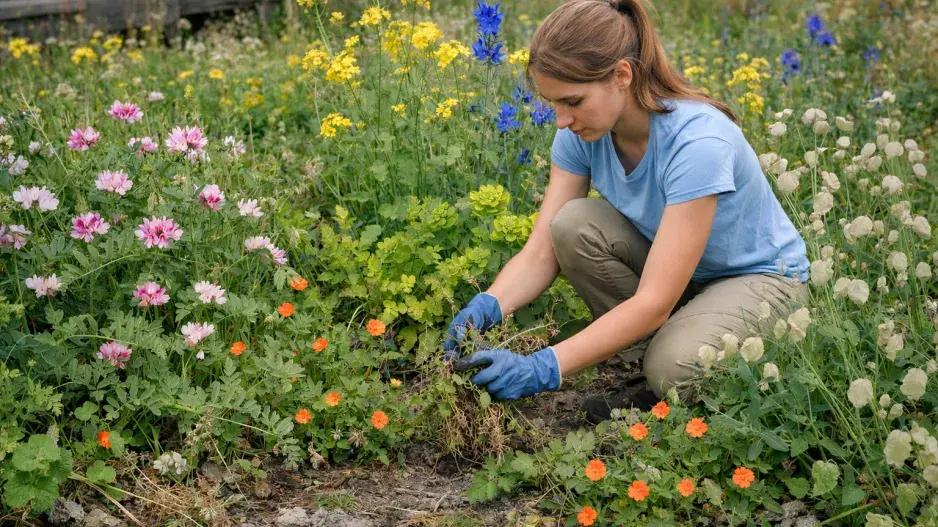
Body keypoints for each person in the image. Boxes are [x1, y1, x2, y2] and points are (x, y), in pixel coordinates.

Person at [444, 0, 810, 423]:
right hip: (683, 275)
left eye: (573, 101)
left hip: (760, 281)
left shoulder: (698, 142)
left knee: (674, 366)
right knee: (573, 225)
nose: (561, 120)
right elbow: (542, 251)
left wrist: (545, 367)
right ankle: (652, 373)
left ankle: (673, 376)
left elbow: (654, 301)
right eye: (553, 103)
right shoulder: (582, 132)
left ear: (622, 75)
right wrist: (487, 305)